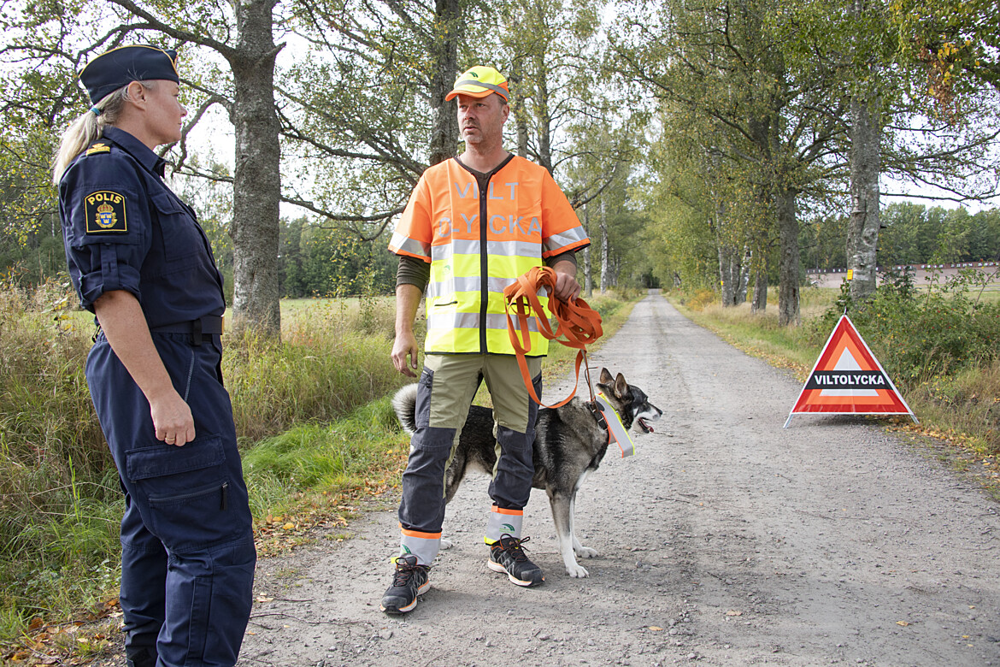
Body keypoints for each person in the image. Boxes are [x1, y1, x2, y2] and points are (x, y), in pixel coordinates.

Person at [52, 46, 256, 667]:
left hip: (171, 362)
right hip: (159, 367)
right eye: (173, 91)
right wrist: (162, 393)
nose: (181, 103)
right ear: (138, 95)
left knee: (156, 531)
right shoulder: (108, 170)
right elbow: (111, 292)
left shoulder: (134, 172)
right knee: (213, 550)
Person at [382, 65, 590, 614]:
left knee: (517, 446)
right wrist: (404, 330)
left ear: (503, 108)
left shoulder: (536, 180)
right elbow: (411, 265)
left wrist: (564, 271)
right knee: (429, 448)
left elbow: (563, 249)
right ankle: (415, 562)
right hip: (449, 340)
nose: (467, 115)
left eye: (478, 104)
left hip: (518, 341)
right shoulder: (434, 181)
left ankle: (504, 542)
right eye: (460, 106)